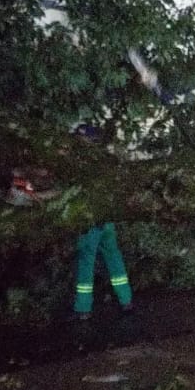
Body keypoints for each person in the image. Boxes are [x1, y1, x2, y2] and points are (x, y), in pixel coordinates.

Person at [71, 125, 133, 320]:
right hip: (107, 220)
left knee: (86, 261)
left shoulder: (83, 163)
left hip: (91, 220)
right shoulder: (106, 161)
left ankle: (83, 308)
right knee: (114, 258)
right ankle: (126, 300)